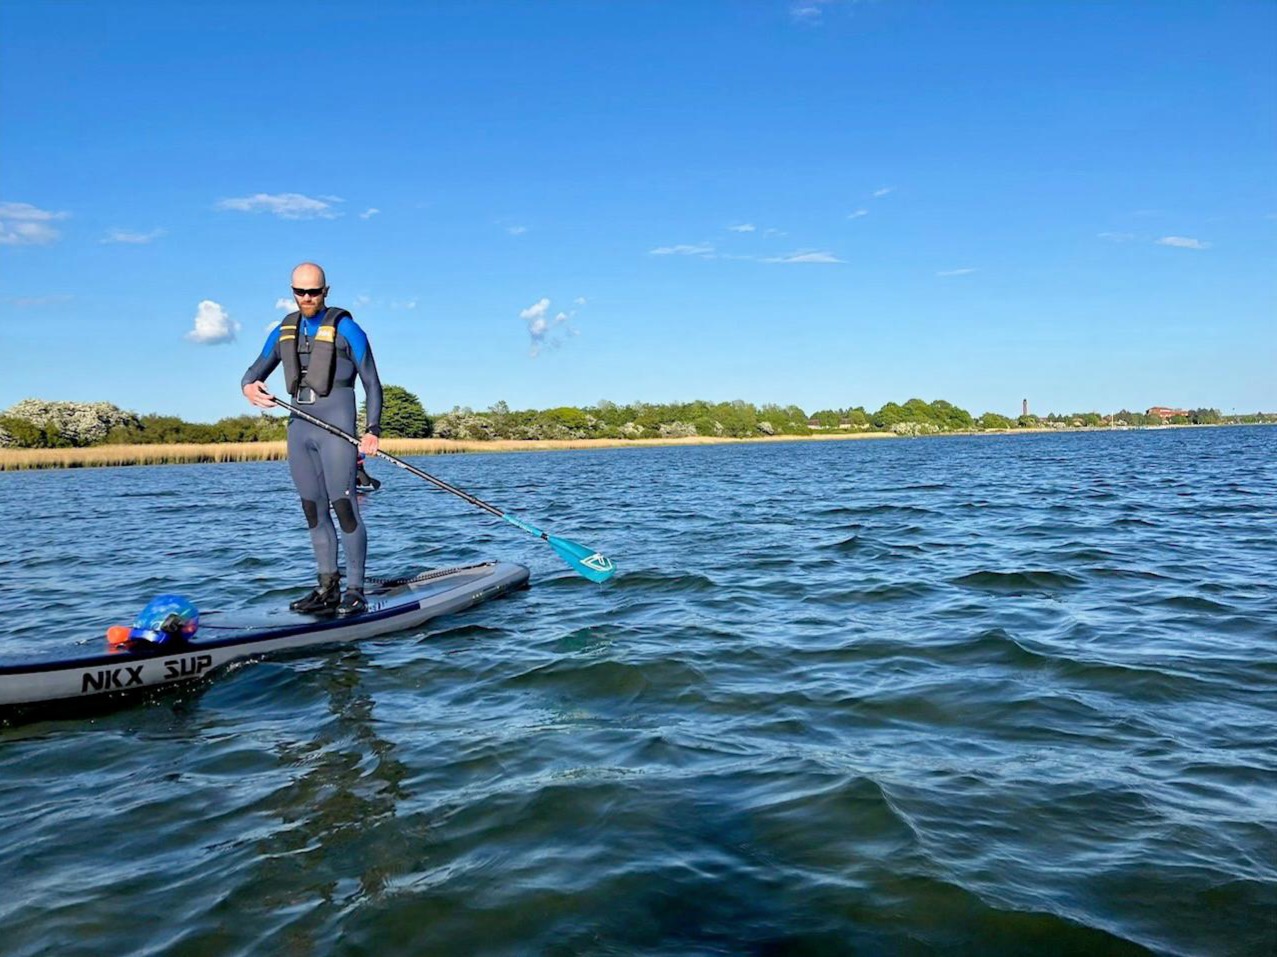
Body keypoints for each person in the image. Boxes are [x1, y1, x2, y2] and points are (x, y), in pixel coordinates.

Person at [242, 263, 383, 616]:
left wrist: (372, 429)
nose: (307, 298)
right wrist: (248, 387)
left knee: (344, 507)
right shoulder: (284, 330)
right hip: (300, 429)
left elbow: (372, 382)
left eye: (313, 291)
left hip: (337, 428)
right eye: (300, 292)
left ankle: (355, 591)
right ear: (292, 291)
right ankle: (327, 588)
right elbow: (253, 372)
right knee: (312, 509)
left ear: (325, 291)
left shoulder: (347, 328)